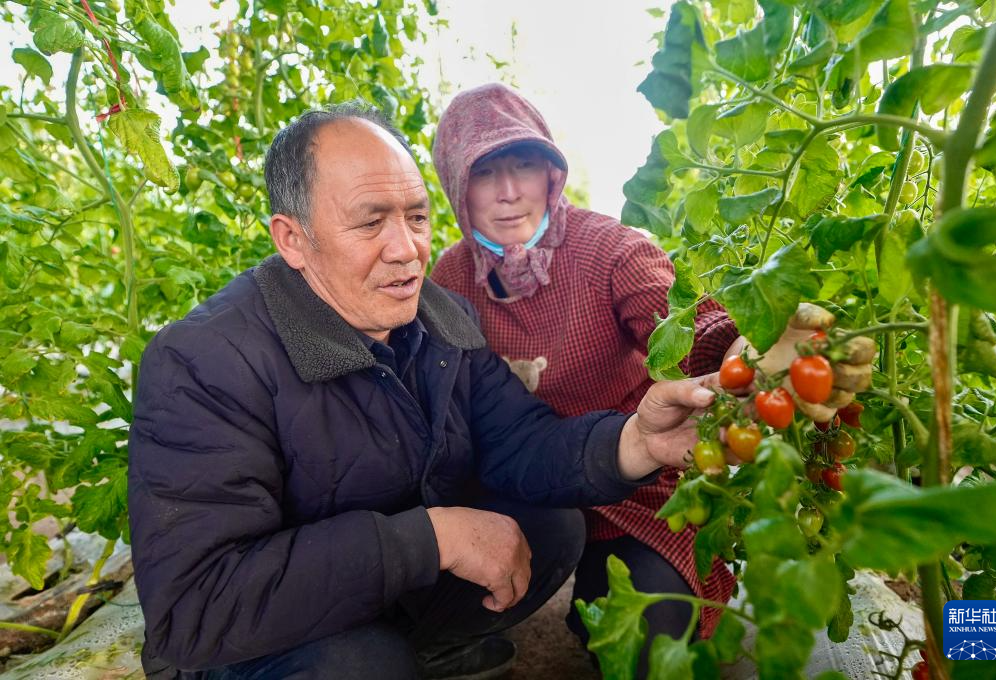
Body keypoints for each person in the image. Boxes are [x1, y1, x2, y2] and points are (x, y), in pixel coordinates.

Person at [127, 102, 729, 680]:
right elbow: (195, 608)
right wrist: (431, 538)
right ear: (292, 239)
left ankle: (425, 652)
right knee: (360, 667)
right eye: (370, 222)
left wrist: (636, 442)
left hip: (377, 587)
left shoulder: (438, 316)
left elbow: (520, 439)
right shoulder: (205, 361)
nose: (405, 249)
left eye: (415, 217)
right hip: (249, 644)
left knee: (550, 529)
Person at [428, 83, 744, 671]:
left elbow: (685, 329)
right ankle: (446, 642)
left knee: (642, 637)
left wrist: (743, 348)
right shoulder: (448, 277)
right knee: (482, 564)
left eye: (524, 165)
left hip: (634, 476)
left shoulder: (610, 250)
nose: (508, 191)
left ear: (551, 172)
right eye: (484, 172)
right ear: (456, 188)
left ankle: (591, 599)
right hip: (521, 485)